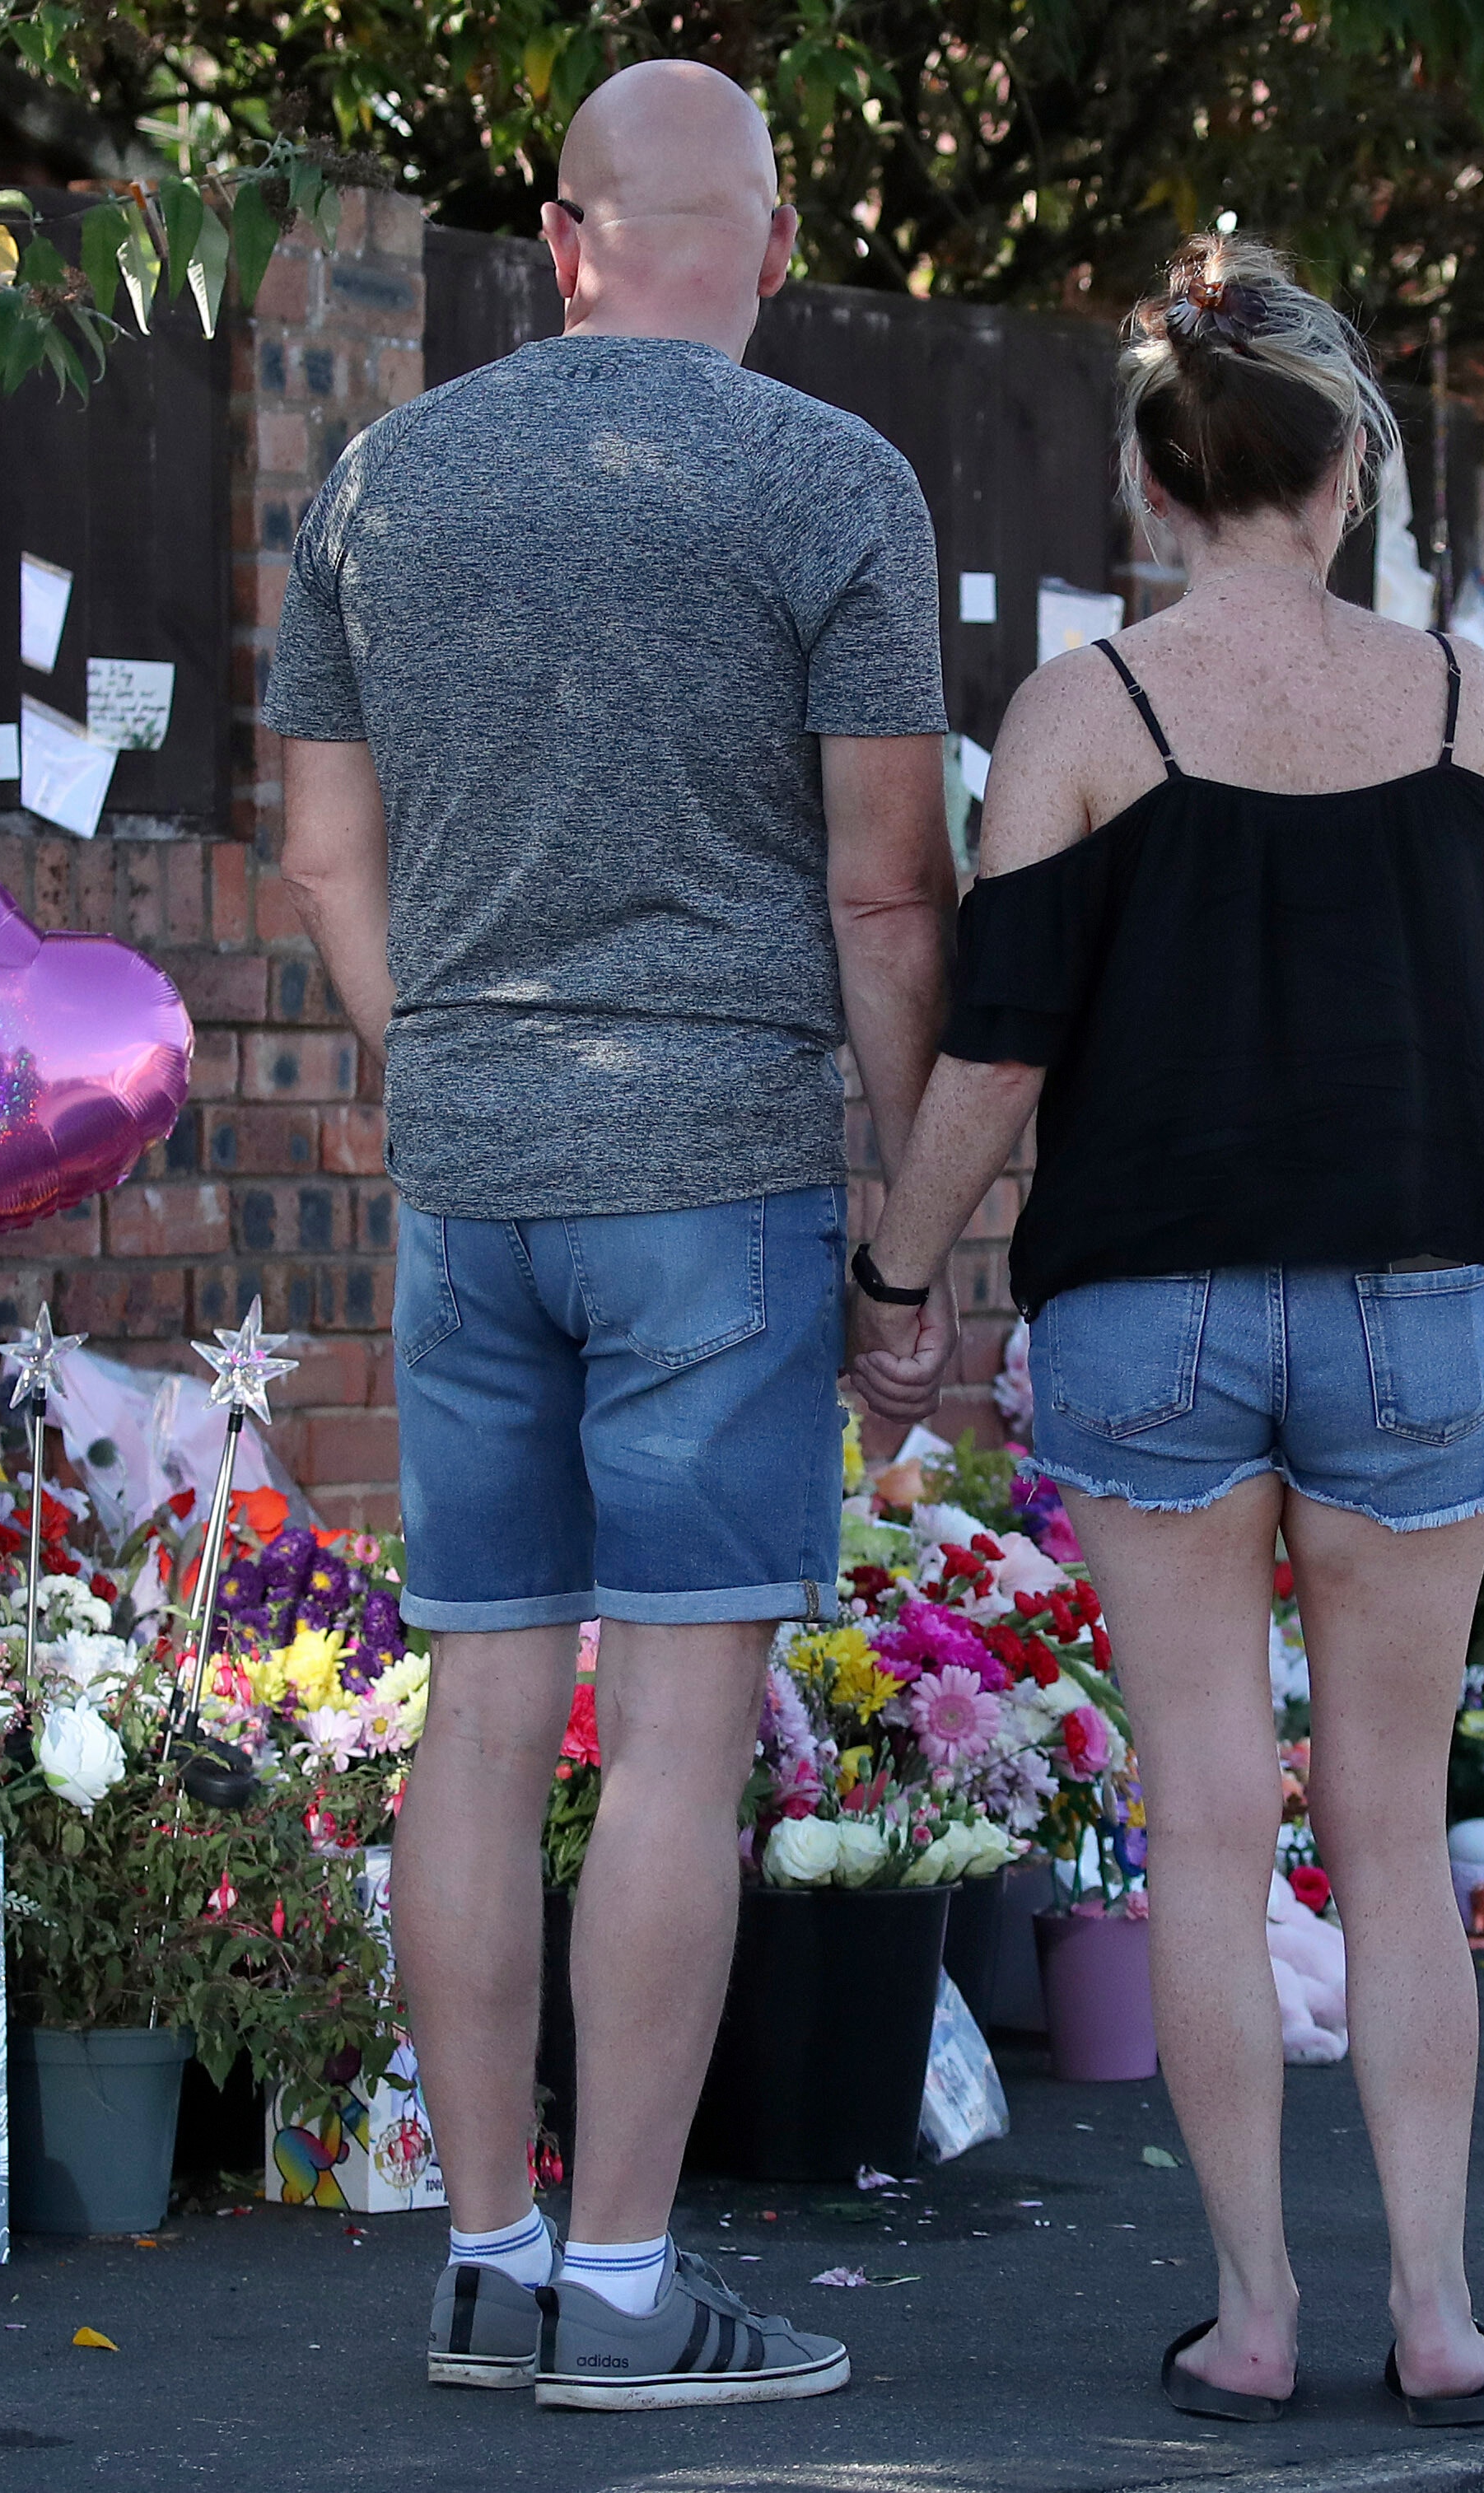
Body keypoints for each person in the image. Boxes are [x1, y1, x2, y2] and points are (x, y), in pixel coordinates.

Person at [851, 234, 1484, 2428]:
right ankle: (1440, 2308)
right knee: (1390, 1815)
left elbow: (992, 1059)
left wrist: (899, 1276)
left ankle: (1254, 2311)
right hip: (1414, 1289)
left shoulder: (1087, 713)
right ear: (1342, 465)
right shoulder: (1466, 700)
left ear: (1156, 491)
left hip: (1148, 1298)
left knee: (1198, 1816)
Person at [267, 58, 956, 2415]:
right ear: (765, 242)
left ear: (562, 241)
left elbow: (325, 861)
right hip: (721, 1175)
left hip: (472, 1171)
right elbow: (885, 886)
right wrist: (920, 1212)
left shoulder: (379, 478)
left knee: (476, 1715)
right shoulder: (833, 483)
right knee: (673, 1735)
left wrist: (435, 1056)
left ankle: (484, 2258)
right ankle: (629, 2287)